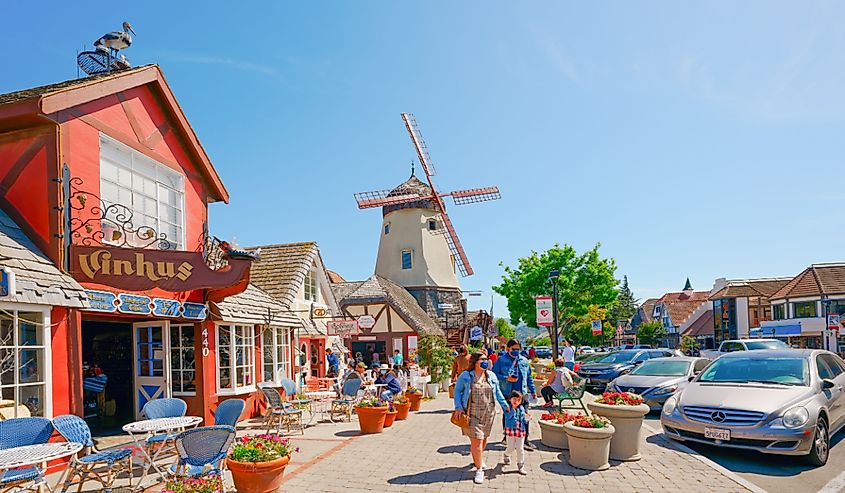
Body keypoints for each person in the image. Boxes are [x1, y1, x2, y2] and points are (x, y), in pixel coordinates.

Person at [453, 351, 509, 485]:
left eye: (486, 359)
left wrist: (505, 405)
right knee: (477, 441)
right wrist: (458, 406)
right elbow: (457, 390)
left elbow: (498, 392)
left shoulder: (491, 375)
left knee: (484, 439)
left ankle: (478, 458)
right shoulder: (467, 376)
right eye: (482, 359)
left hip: (489, 413)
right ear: (475, 362)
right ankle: (479, 470)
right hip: (472, 413)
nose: (485, 361)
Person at [492, 339, 536, 450]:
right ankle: (507, 437)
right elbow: (494, 375)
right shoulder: (501, 360)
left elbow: (529, 377)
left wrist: (533, 391)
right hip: (508, 393)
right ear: (508, 349)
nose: (516, 351)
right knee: (508, 415)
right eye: (514, 349)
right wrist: (506, 378)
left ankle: (525, 439)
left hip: (522, 393)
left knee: (524, 415)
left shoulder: (524, 361)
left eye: (518, 349)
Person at [503, 390, 529, 475]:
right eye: (514, 399)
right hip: (510, 430)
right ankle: (506, 454)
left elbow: (523, 419)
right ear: (510, 399)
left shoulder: (521, 408)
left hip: (520, 431)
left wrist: (526, 418)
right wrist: (512, 410)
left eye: (518, 400)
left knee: (520, 448)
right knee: (510, 447)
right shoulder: (507, 408)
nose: (516, 401)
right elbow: (508, 417)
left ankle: (520, 465)